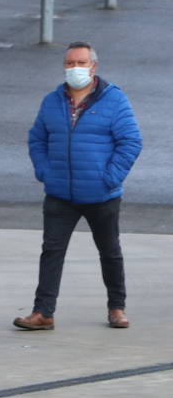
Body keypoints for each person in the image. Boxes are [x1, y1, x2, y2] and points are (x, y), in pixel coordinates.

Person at [14, 42, 141, 331]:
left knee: (109, 250)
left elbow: (131, 141)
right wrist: (45, 171)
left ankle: (116, 308)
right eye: (69, 63)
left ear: (93, 66)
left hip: (101, 194)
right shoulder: (51, 101)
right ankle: (43, 312)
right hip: (60, 193)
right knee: (52, 251)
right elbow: (37, 139)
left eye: (81, 63)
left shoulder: (114, 100)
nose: (74, 68)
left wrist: (110, 177)